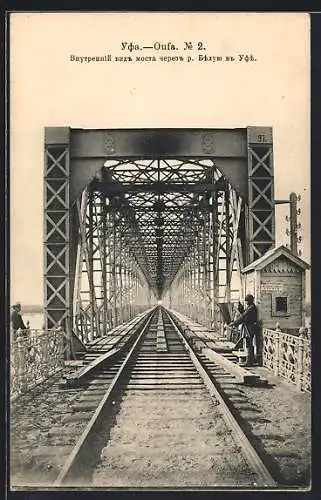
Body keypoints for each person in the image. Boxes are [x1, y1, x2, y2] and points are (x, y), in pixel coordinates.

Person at [228, 294, 258, 367]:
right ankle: (250, 360)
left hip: (250, 328)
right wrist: (241, 309)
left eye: (247, 301)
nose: (246, 302)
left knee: (249, 343)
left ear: (250, 301)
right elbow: (244, 315)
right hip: (249, 327)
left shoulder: (251, 308)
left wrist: (233, 323)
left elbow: (243, 317)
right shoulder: (251, 307)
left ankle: (249, 362)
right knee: (248, 343)